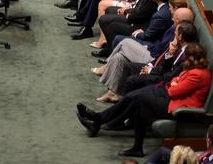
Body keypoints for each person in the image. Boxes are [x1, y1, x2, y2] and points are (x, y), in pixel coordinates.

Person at [77, 42, 212, 156]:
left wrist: (174, 84)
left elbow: (173, 91)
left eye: (187, 58)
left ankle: (98, 119)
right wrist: (175, 83)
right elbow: (175, 80)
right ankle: (134, 146)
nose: (185, 61)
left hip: (178, 107)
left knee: (138, 98)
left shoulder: (198, 74)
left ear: (193, 58)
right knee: (135, 99)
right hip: (168, 96)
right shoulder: (194, 69)